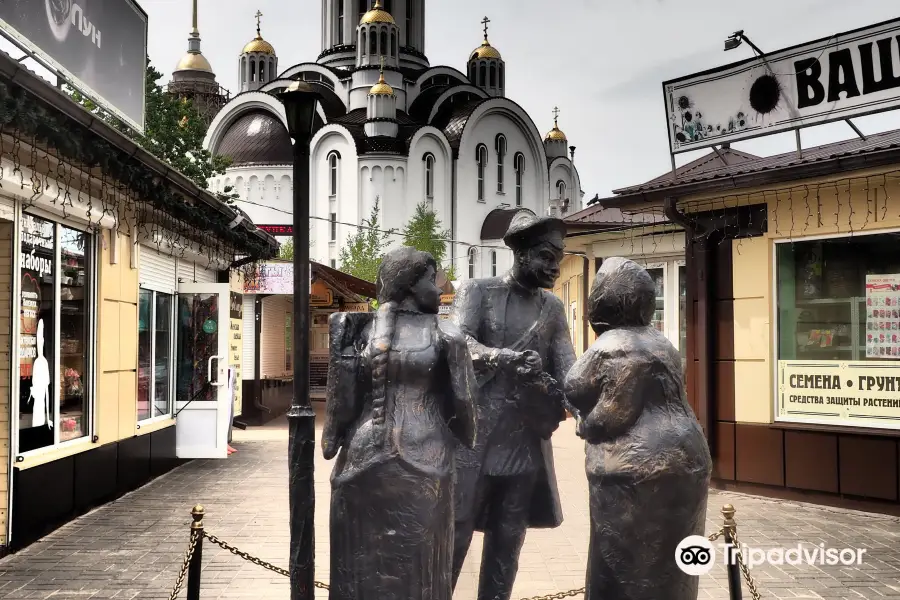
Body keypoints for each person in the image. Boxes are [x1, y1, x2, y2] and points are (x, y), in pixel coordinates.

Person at [322, 246, 477, 600]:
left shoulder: (356, 333)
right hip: (427, 457)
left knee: (358, 565)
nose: (439, 289)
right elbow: (466, 413)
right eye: (432, 279)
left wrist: (334, 440)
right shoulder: (447, 336)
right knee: (421, 568)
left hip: (360, 459)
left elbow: (336, 421)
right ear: (410, 286)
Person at [565, 257, 712, 600]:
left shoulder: (612, 347)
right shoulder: (662, 343)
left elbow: (613, 414)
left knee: (628, 563)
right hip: (687, 459)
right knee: (673, 561)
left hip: (635, 468)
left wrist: (585, 424)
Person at [450, 212, 576, 600]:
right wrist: (499, 357)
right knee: (455, 532)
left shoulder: (552, 308)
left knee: (508, 540)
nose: (554, 266)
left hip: (524, 445)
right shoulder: (478, 291)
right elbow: (456, 345)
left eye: (558, 256)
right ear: (520, 255)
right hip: (475, 441)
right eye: (545, 256)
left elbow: (569, 371)